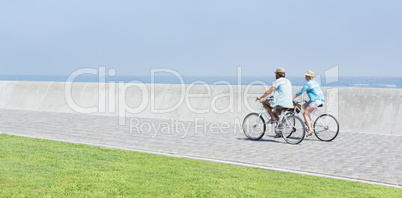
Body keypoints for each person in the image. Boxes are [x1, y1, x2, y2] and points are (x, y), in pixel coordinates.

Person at [256, 67, 293, 137]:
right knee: (275, 113)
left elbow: (270, 90)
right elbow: (282, 92)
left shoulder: (278, 81)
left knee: (264, 101)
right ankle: (279, 131)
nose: (275, 75)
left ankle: (273, 118)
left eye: (276, 74)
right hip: (288, 103)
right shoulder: (288, 81)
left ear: (278, 74)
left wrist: (260, 97)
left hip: (281, 103)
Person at [292, 71, 325, 137]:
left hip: (315, 101)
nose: (305, 77)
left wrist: (292, 98)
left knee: (305, 114)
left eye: (306, 76)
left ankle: (310, 129)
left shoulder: (308, 84)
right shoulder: (315, 83)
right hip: (319, 99)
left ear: (308, 77)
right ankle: (308, 122)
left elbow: (300, 92)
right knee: (304, 105)